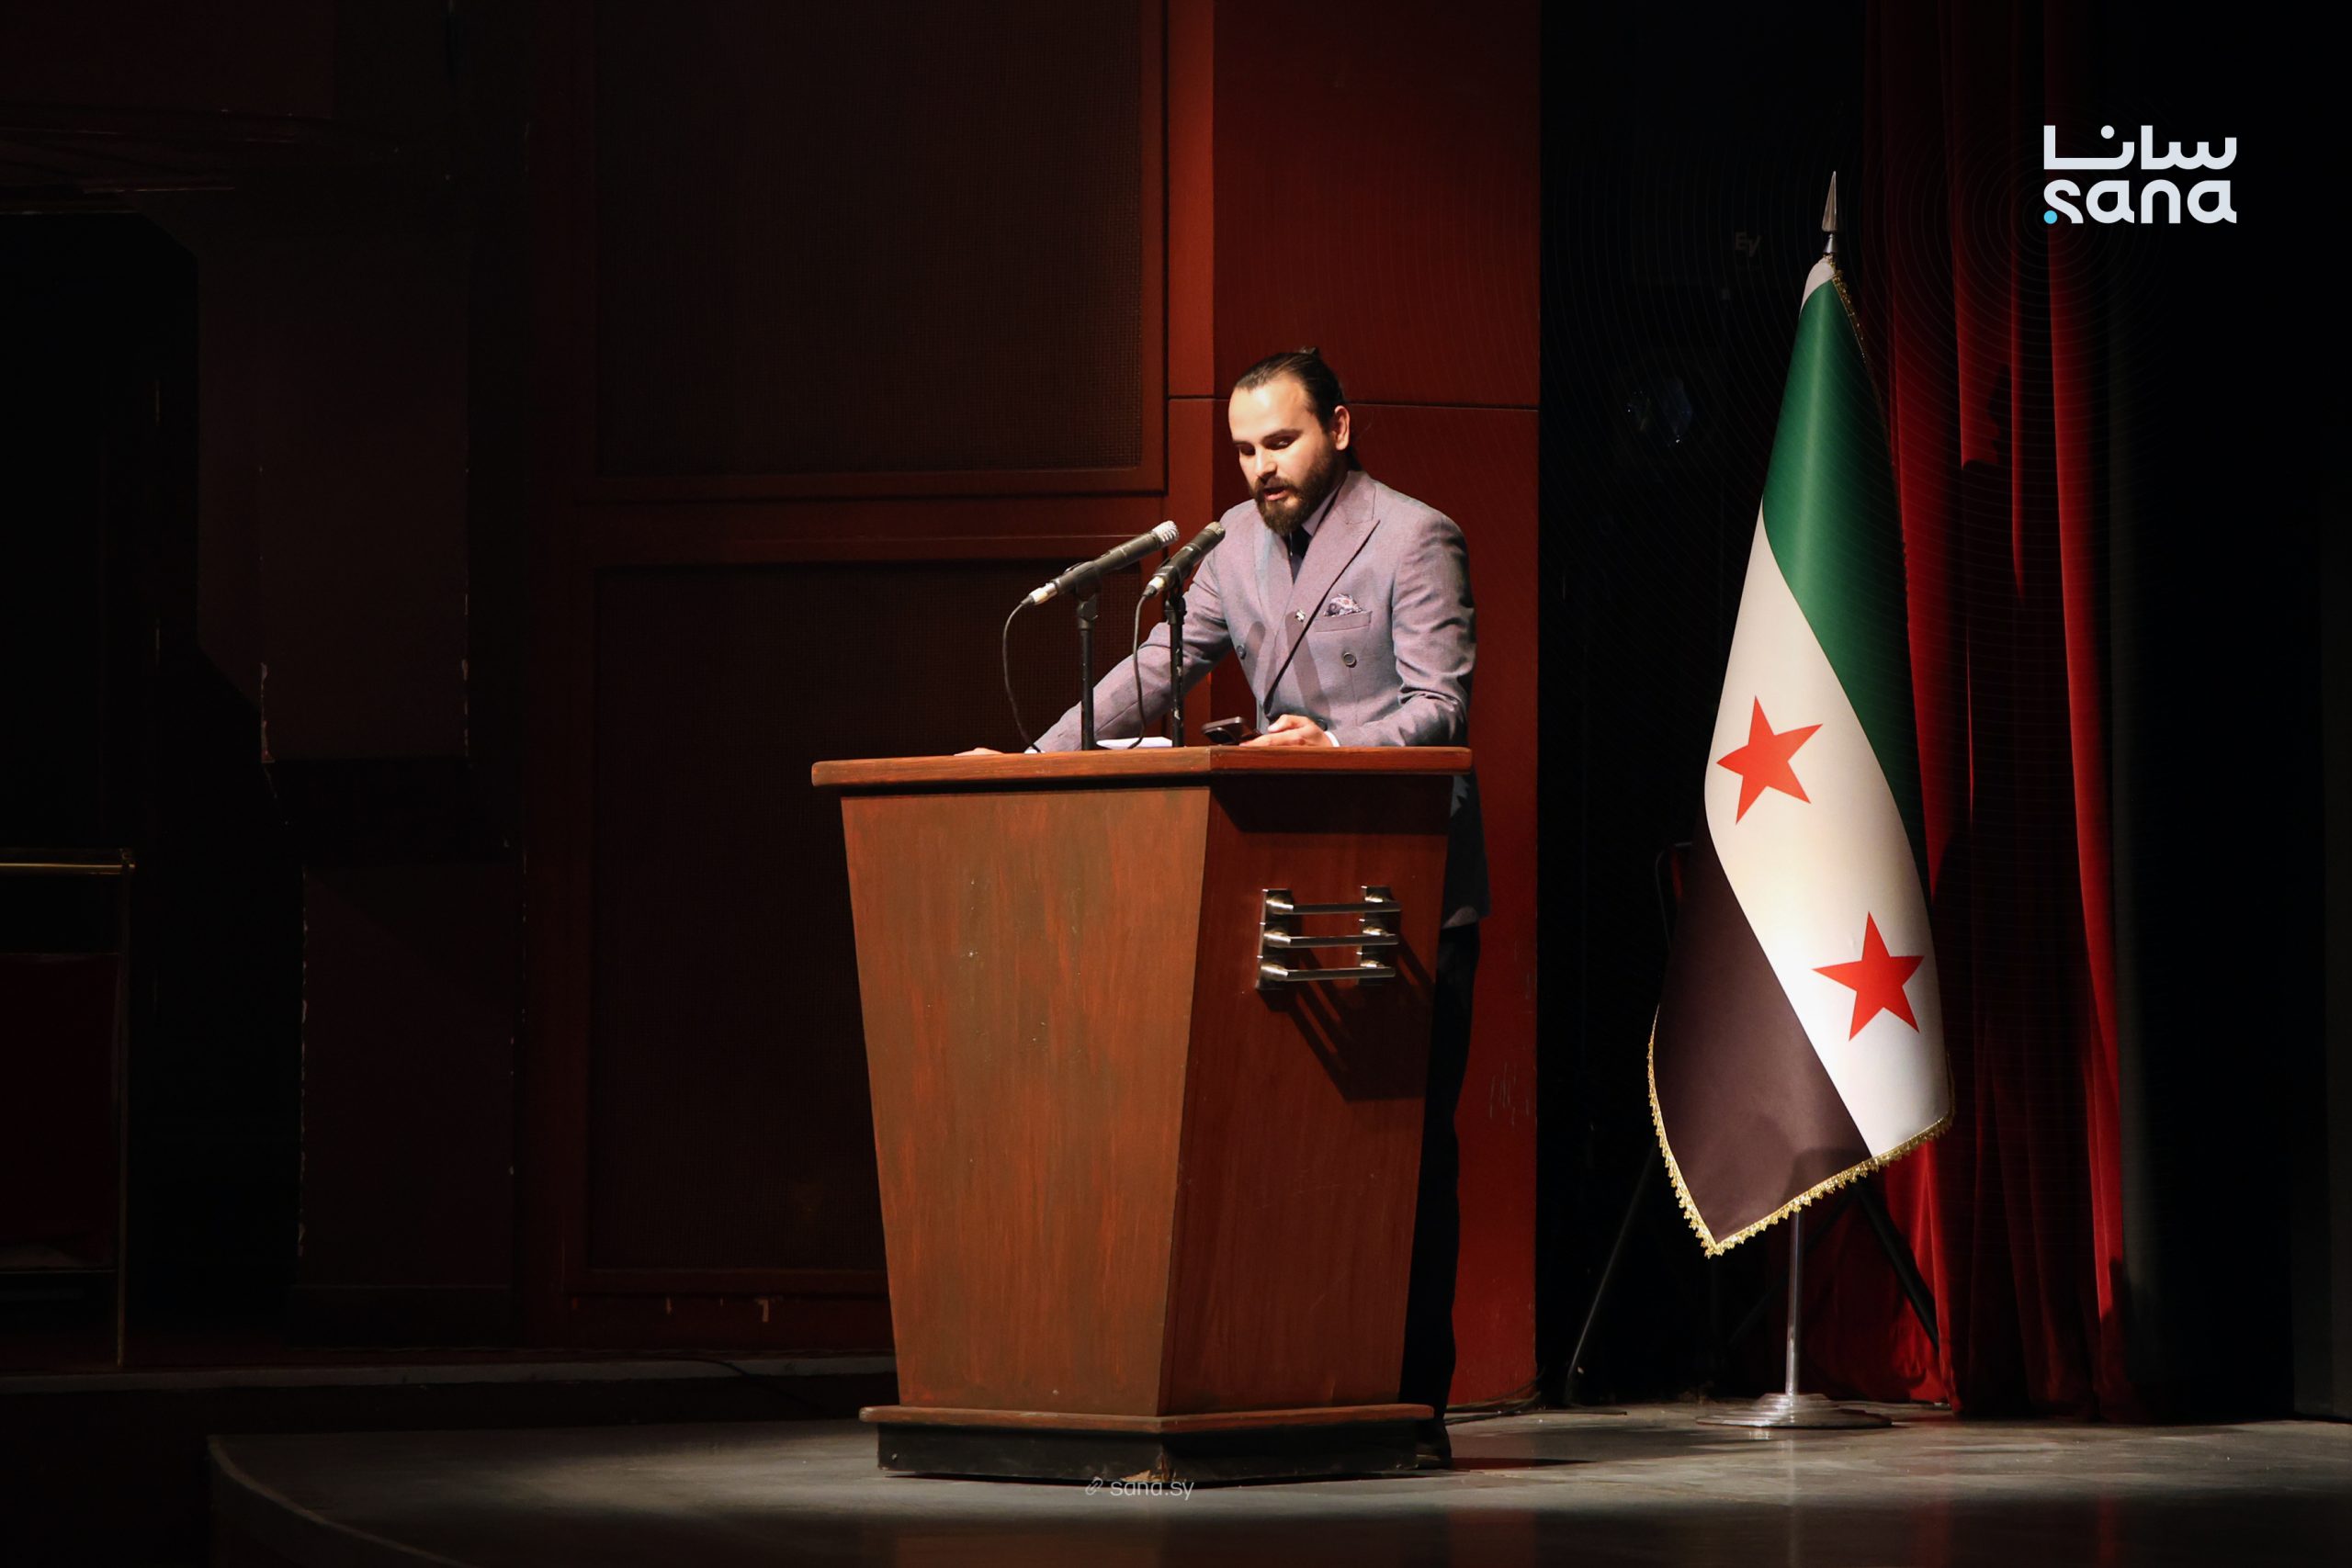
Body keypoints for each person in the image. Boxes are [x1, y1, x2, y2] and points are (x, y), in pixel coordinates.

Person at [1033, 347, 1488, 1465]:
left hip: (1406, 882)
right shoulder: (1228, 548)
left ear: (1339, 426)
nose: (1260, 468)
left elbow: (1440, 707)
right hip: (1278, 888)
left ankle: (1410, 1408)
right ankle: (1299, 1390)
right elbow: (1156, 671)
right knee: (1288, 1158)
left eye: (1280, 441)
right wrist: (1039, 757)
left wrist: (1338, 743)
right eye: (1243, 450)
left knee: (1401, 1157)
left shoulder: (1414, 536)